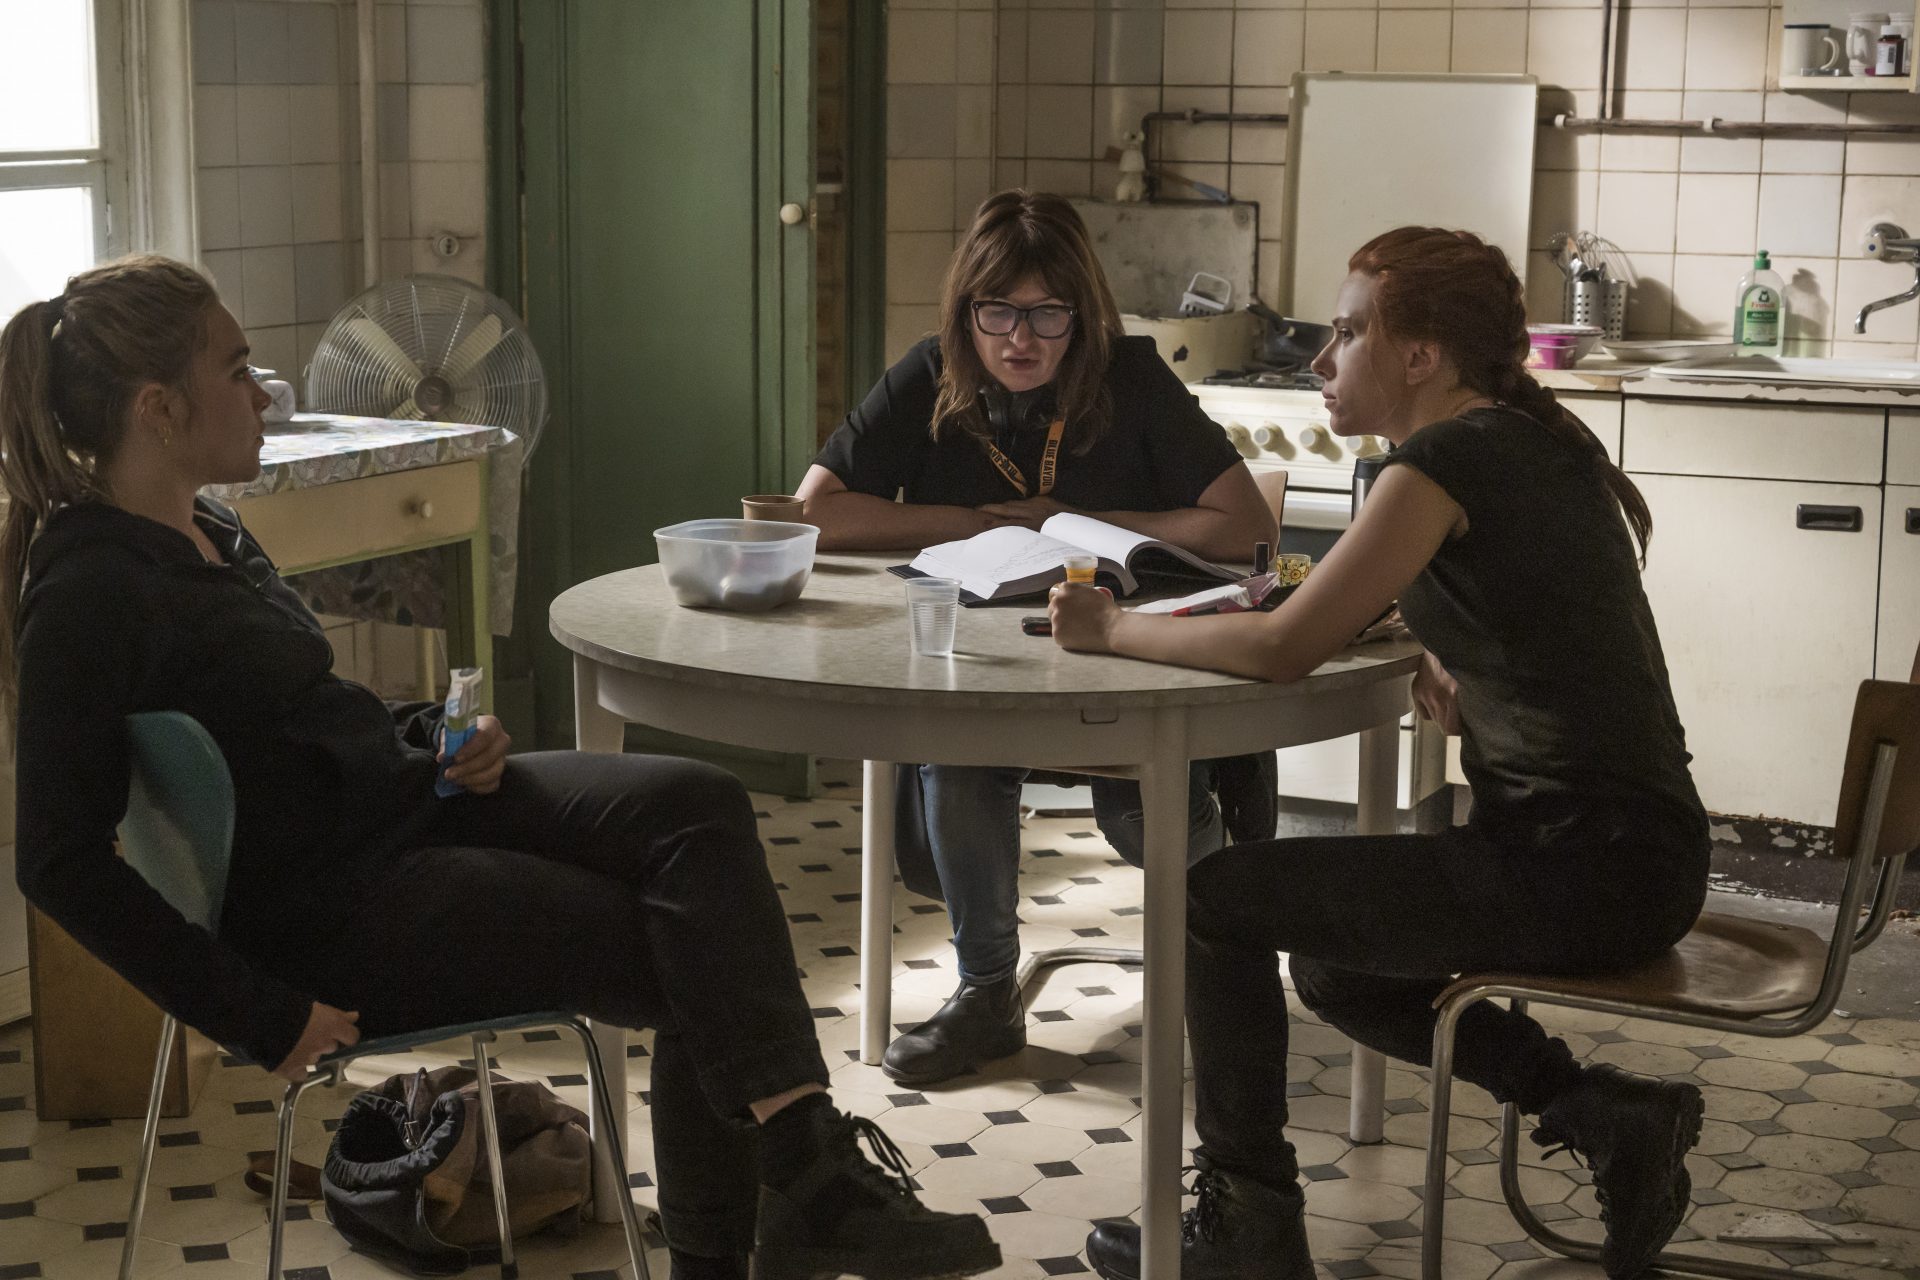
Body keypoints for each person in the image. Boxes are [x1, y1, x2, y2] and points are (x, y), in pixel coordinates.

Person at [2, 257, 1000, 1280]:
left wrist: (435, 732)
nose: (264, 394)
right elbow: (58, 859)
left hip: (402, 809)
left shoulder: (205, 527)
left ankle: (799, 1182)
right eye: (239, 369)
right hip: (332, 913)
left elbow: (283, 722)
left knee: (697, 805)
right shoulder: (93, 592)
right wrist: (258, 1014)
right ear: (161, 408)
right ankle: (782, 1209)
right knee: (695, 946)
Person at [1047, 227, 1711, 1280]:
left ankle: (1248, 1225)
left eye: (1349, 331)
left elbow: (1281, 645)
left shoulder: (1440, 462)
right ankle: (1600, 1110)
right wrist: (1444, 651)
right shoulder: (1525, 441)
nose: (1321, 358)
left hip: (1583, 865)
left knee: (1210, 897)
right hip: (1635, 855)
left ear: (1422, 357)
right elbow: (1515, 614)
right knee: (1334, 963)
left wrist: (1113, 630)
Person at [794, 190, 1275, 1086]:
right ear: (965, 311)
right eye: (999, 312)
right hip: (984, 665)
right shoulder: (931, 373)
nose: (1022, 339)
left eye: (1049, 314)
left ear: (1081, 313)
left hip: (1134, 661)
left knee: (1145, 823)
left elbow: (1248, 529)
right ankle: (985, 995)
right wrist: (973, 520)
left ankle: (1225, 934)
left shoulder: (1129, 379)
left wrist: (1070, 515)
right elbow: (815, 511)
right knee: (956, 755)